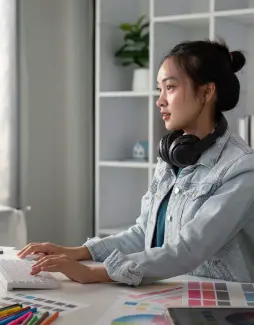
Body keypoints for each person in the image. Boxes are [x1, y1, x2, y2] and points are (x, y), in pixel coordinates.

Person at [18, 39, 254, 286]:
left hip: (224, 304)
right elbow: (143, 234)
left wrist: (94, 273)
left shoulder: (241, 168)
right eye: (159, 89)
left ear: (207, 91)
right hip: (171, 293)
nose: (159, 100)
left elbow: (188, 248)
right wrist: (77, 252)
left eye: (170, 88)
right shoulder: (171, 157)